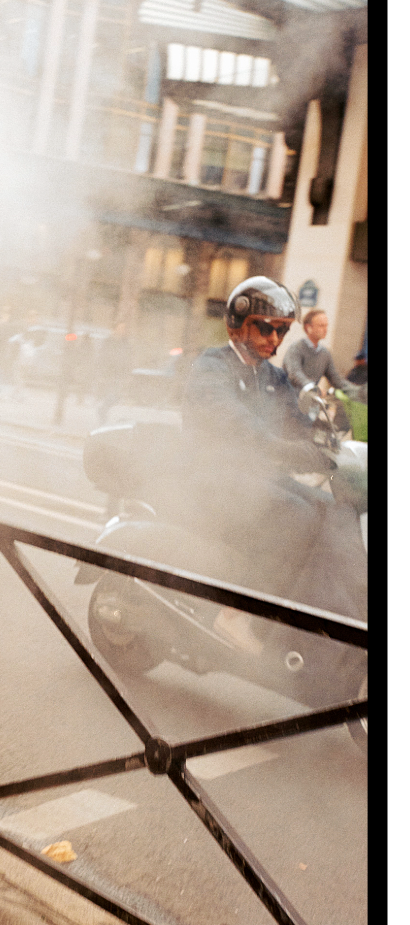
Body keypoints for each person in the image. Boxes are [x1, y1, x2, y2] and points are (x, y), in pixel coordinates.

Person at [180, 277, 365, 652]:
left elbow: (294, 423)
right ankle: (235, 615)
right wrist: (286, 450)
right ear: (237, 324)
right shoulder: (213, 366)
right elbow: (236, 424)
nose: (274, 338)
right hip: (214, 477)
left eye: (281, 330)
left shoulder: (271, 375)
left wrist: (323, 438)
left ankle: (317, 616)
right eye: (266, 328)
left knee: (333, 511)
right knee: (296, 517)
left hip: (259, 478)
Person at [282, 309, 357, 395]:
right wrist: (313, 388)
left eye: (326, 326)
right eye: (321, 326)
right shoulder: (296, 348)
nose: (325, 329)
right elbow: (294, 374)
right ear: (308, 327)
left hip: (309, 399)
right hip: (287, 398)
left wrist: (358, 391)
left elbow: (336, 380)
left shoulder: (325, 353)